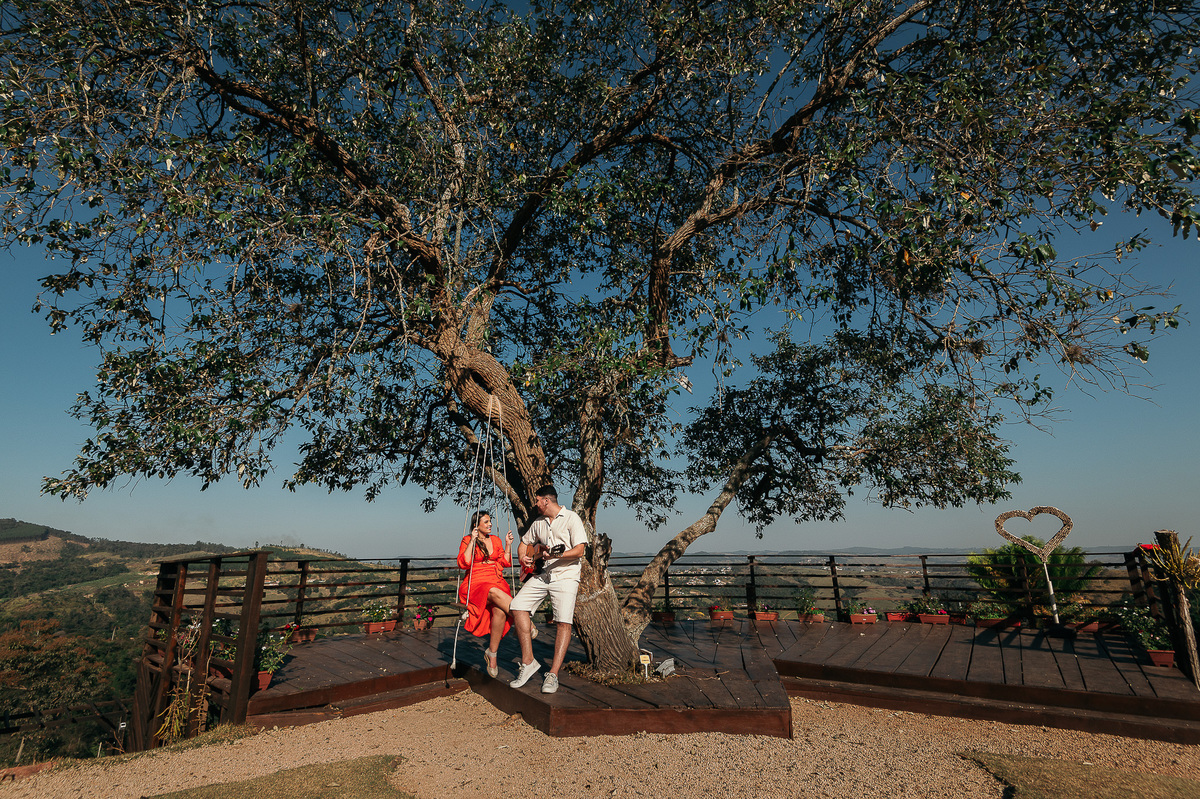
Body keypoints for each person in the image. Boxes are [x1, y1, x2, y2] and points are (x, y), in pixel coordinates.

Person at [508, 485, 588, 694]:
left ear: (546, 500)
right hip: (544, 574)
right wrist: (523, 557)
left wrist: (557, 555)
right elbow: (524, 542)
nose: (535, 504)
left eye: (537, 500)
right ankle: (529, 662)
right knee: (517, 606)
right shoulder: (538, 523)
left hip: (567, 577)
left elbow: (580, 550)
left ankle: (552, 674)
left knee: (563, 623)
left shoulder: (572, 518)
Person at [457, 510, 516, 678]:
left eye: (490, 521)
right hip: (475, 583)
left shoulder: (496, 540)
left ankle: (492, 654)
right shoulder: (468, 540)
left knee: (500, 611)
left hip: (495, 580)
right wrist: (472, 541)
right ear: (477, 526)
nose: (490, 524)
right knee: (492, 590)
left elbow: (504, 562)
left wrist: (508, 544)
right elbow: (464, 563)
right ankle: (522, 621)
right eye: (486, 522)